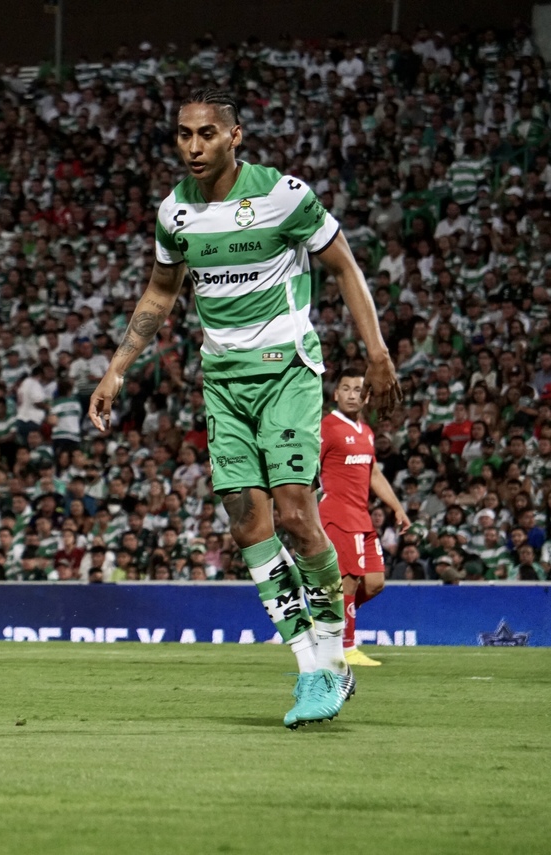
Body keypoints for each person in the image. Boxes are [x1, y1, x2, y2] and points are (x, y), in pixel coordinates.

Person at [88, 89, 402, 729]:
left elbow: (344, 266)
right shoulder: (175, 212)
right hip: (223, 383)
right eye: (183, 135)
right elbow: (161, 290)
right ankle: (312, 668)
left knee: (296, 514)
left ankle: (332, 659)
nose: (193, 147)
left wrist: (376, 351)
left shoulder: (284, 196)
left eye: (206, 134)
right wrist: (117, 367)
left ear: (235, 136)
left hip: (287, 371)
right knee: (248, 527)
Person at [319, 368, 411, 667]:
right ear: (336, 394)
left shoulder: (367, 432)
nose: (351, 395)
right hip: (337, 515)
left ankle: (326, 617)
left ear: (367, 396)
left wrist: (396, 507)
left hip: (361, 517)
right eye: (345, 389)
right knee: (348, 581)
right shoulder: (327, 427)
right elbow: (308, 468)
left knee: (374, 583)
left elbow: (372, 473)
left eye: (358, 390)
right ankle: (346, 648)